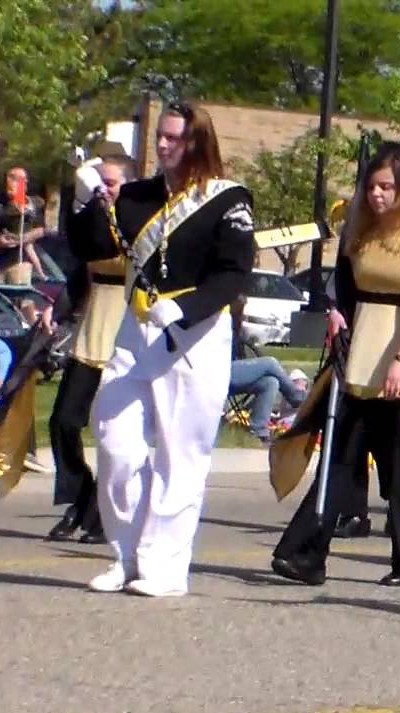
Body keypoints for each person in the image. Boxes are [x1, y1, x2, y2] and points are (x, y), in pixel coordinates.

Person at [69, 101, 255, 597]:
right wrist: (85, 203)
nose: (165, 145)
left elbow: (234, 271)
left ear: (198, 142)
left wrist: (191, 307)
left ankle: (165, 567)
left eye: (175, 138)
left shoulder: (226, 199)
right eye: (161, 137)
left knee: (180, 452)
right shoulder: (135, 196)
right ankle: (126, 553)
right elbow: (93, 247)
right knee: (113, 439)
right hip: (136, 328)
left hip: (194, 332)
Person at [272, 142, 400, 587]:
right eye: (372, 186)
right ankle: (306, 553)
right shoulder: (362, 232)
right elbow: (345, 285)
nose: (378, 195)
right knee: (340, 457)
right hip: (360, 357)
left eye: (388, 186)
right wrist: (336, 311)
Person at [47, 154, 136, 544]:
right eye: (100, 182)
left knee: (113, 435)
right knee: (63, 421)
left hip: (127, 340)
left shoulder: (138, 223)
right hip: (91, 336)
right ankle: (83, 498)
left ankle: (103, 513)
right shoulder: (91, 222)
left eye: (112, 183)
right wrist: (57, 309)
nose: (104, 189)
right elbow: (83, 260)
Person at [0, 166, 49, 279]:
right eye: (11, 177)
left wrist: (21, 239)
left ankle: (40, 273)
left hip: (23, 266)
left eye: (18, 179)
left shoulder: (32, 203)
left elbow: (41, 229)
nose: (11, 181)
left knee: (31, 251)